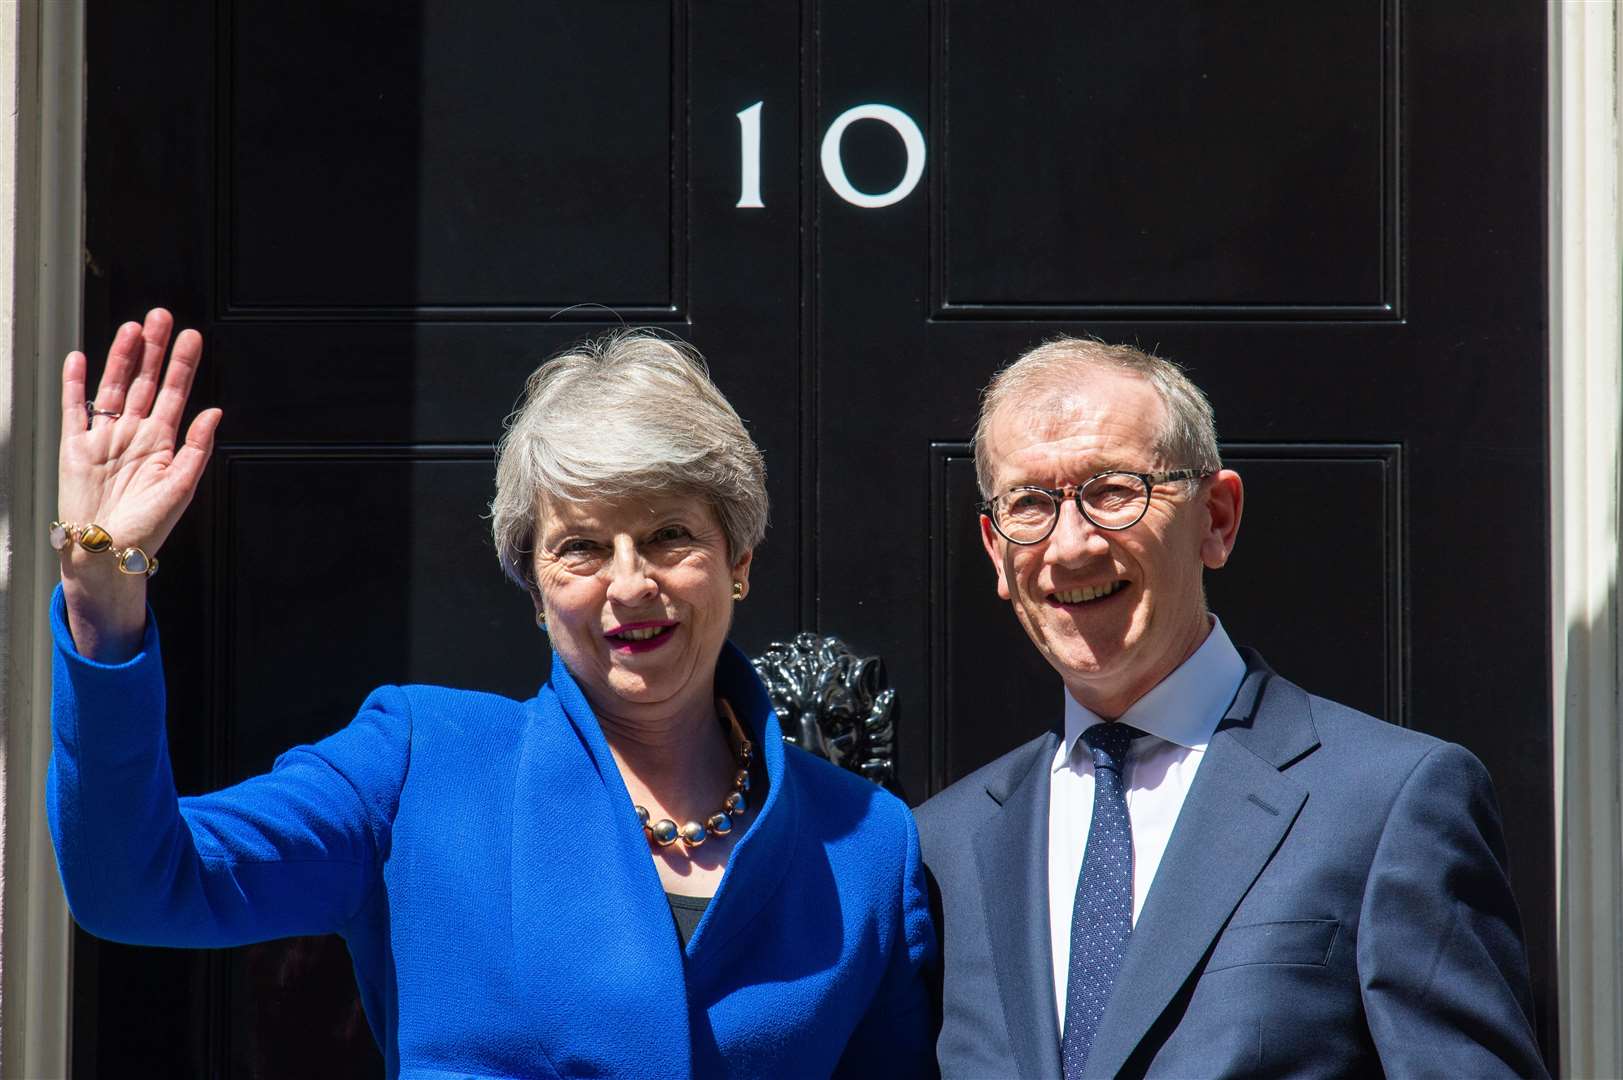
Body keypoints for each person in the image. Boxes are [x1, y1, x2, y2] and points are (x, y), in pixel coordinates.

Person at [47, 310, 935, 1078]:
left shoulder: (865, 846)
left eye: (669, 535)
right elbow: (136, 884)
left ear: (737, 561)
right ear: (534, 586)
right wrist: (103, 597)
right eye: (581, 548)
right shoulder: (418, 764)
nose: (629, 584)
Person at [915, 337, 1547, 1078]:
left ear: (1215, 517)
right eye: (1029, 503)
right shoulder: (943, 847)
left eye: (1113, 490)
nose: (1071, 546)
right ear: (996, 550)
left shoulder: (1387, 801)